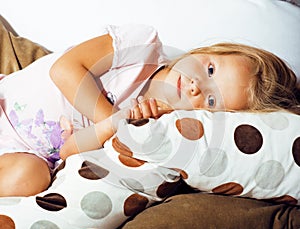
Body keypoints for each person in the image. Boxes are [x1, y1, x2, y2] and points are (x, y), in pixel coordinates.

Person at [0, 24, 299, 197]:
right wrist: (109, 117)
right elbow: (64, 70)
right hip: (5, 99)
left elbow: (67, 151)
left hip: (23, 153)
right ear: (207, 51)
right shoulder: (142, 46)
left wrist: (119, 125)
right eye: (209, 69)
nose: (196, 86)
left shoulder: (158, 123)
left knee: (31, 178)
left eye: (211, 100)